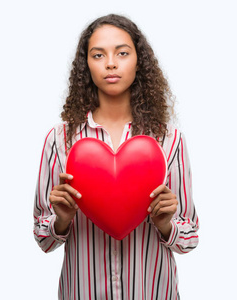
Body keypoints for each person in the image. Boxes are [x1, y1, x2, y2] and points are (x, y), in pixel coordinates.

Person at [33, 14, 199, 300]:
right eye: (99, 55)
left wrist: (166, 224)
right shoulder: (60, 140)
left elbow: (189, 238)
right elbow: (43, 239)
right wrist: (60, 220)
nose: (111, 63)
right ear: (86, 65)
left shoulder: (168, 139)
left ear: (139, 61)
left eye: (122, 53)